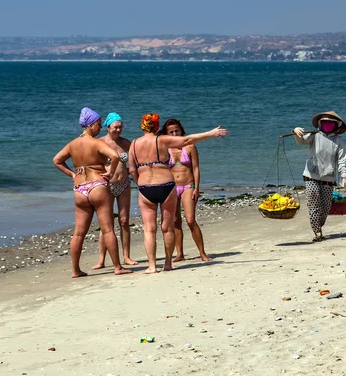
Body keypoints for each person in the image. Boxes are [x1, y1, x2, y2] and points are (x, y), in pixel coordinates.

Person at [129, 113, 228, 273]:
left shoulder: (133, 144)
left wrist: (140, 182)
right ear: (156, 126)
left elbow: (132, 169)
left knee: (149, 228)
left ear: (142, 126)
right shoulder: (161, 140)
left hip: (145, 188)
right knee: (167, 227)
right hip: (166, 186)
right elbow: (187, 140)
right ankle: (168, 263)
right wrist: (210, 133)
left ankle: (152, 266)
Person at [53, 107, 133, 277]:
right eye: (97, 124)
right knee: (108, 229)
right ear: (90, 125)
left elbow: (57, 160)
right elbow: (116, 156)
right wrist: (110, 172)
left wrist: (72, 174)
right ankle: (118, 267)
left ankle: (75, 270)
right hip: (97, 185)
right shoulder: (97, 143)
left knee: (79, 232)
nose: (99, 127)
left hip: (80, 189)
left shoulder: (73, 144)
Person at [158, 119, 212, 262]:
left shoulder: (190, 147)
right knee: (175, 221)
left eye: (177, 130)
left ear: (182, 131)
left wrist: (197, 188)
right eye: (171, 132)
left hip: (188, 186)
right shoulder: (165, 148)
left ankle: (202, 253)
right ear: (166, 134)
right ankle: (179, 253)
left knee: (190, 220)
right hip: (172, 187)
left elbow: (195, 168)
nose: (175, 133)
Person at [293, 111, 346, 242]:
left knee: (324, 207)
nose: (327, 124)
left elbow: (341, 160)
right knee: (313, 203)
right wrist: (296, 131)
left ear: (336, 125)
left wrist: (344, 176)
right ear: (320, 123)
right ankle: (317, 231)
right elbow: (301, 141)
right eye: (325, 122)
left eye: (330, 123)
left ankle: (319, 224)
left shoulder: (338, 141)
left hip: (328, 177)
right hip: (311, 174)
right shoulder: (314, 135)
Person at [93, 112, 138, 269]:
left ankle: (126, 256)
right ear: (108, 127)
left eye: (120, 127)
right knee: (107, 223)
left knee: (124, 220)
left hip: (124, 183)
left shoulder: (125, 143)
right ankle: (101, 259)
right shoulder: (100, 143)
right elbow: (91, 162)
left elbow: (136, 160)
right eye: (115, 127)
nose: (118, 130)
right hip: (106, 185)